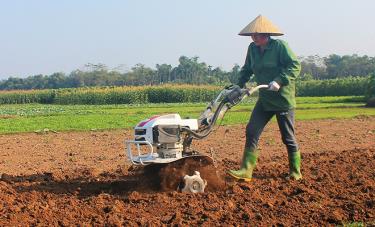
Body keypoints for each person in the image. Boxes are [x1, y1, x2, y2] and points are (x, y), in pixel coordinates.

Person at [228, 15, 302, 181]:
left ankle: (295, 172)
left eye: (257, 35)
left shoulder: (280, 46)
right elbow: (247, 69)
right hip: (265, 99)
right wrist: (238, 86)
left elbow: (295, 65)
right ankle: (246, 170)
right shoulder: (252, 49)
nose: (254, 38)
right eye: (252, 35)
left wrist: (279, 81)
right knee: (252, 130)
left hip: (282, 99)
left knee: (287, 137)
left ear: (267, 34)